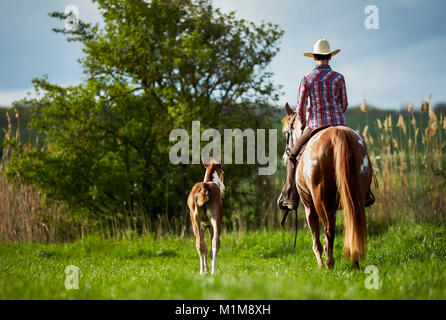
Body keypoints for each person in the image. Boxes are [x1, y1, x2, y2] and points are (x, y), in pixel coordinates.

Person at [277, 39, 375, 210]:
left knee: (292, 155)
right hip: (339, 124)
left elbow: (300, 108)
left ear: (314, 57)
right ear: (330, 57)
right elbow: (343, 104)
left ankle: (290, 197)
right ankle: (366, 193)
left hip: (315, 126)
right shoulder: (338, 77)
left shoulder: (307, 78)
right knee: (361, 148)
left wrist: (305, 123)